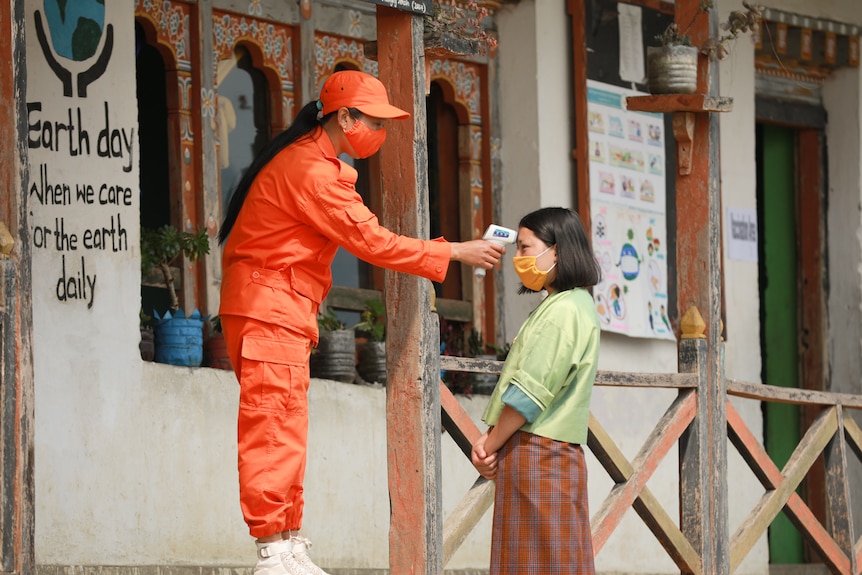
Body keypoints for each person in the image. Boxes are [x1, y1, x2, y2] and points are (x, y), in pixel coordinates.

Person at [217, 69, 504, 575]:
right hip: (271, 309)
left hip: (277, 308)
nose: (380, 131)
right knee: (274, 426)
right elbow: (373, 243)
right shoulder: (312, 172)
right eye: (374, 121)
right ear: (345, 117)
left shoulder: (310, 161)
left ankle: (286, 542)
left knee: (286, 425)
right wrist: (455, 250)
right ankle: (272, 551)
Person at [471, 207, 602, 575]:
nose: (518, 258)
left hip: (539, 455)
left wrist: (488, 444)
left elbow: (530, 393)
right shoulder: (569, 305)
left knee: (535, 566)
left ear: (556, 251)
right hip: (550, 455)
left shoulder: (563, 311)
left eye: (526, 248)